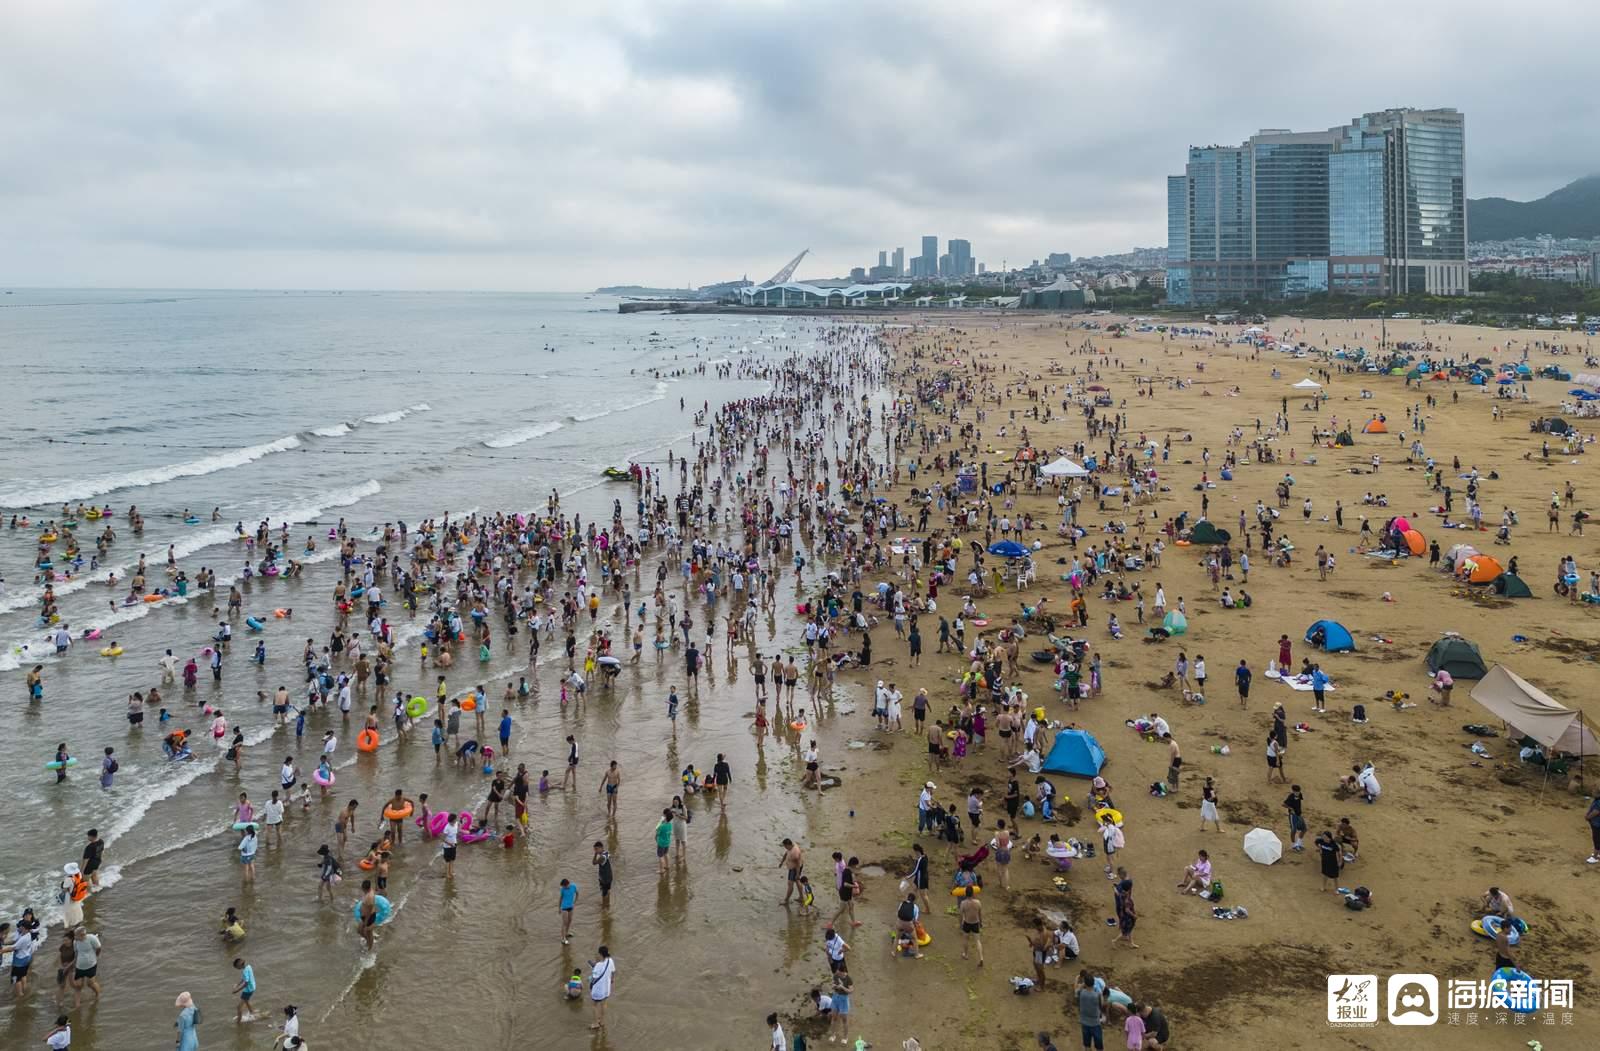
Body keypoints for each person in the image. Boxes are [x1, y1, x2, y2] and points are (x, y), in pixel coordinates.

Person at [1077, 969, 1107, 1050]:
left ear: (1085, 983)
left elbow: (1077, 991)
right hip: (1095, 1024)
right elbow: (1101, 1005)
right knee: (1099, 1047)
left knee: (1087, 1046)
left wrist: (1082, 984)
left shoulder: (1081, 993)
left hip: (1084, 1023)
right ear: (1093, 983)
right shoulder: (1097, 995)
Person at [587, 946, 615, 1032]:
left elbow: (593, 978)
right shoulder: (610, 961)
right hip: (607, 987)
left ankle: (595, 1023)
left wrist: (589, 979)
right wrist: (612, 980)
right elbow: (613, 972)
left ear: (600, 954)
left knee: (595, 1005)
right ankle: (602, 1021)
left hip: (598, 989)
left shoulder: (598, 965)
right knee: (604, 1004)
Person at [958, 885, 984, 964]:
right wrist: (981, 923)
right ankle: (981, 957)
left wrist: (960, 924)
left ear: (965, 894)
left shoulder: (963, 903)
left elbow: (961, 915)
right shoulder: (978, 902)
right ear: (973, 893)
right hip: (975, 923)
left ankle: (965, 954)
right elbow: (980, 914)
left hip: (967, 923)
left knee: (966, 939)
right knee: (977, 941)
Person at [232, 957, 256, 1023]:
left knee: (238, 1007)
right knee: (246, 1001)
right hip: (252, 987)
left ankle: (238, 1023)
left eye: (236, 966)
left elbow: (246, 983)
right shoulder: (248, 966)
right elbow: (244, 979)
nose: (236, 968)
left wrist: (236, 990)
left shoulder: (245, 971)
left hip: (248, 990)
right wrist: (238, 984)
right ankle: (252, 1014)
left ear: (239, 965)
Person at [593, 842, 614, 909]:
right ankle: (608, 904)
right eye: (595, 849)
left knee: (603, 893)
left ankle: (604, 907)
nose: (596, 851)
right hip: (609, 877)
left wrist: (595, 854)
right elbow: (611, 857)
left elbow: (593, 863)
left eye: (596, 849)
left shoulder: (601, 857)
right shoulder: (606, 853)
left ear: (601, 848)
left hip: (604, 879)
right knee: (607, 891)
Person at [559, 878, 579, 944]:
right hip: (564, 908)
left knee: (570, 920)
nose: (563, 887)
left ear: (568, 884)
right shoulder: (562, 890)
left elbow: (577, 893)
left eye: (564, 886)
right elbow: (560, 898)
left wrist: (575, 902)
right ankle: (563, 938)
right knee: (564, 923)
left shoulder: (573, 886)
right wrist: (559, 908)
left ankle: (567, 933)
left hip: (571, 907)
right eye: (563, 886)